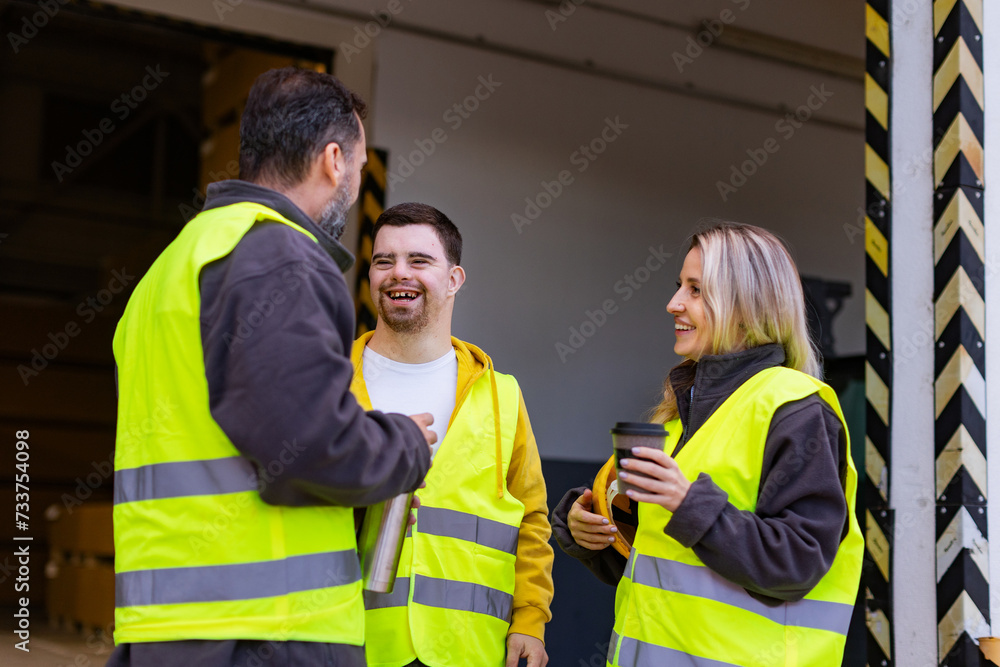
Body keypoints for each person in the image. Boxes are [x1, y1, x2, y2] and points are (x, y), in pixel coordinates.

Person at [108, 67, 434, 667]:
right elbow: (308, 444)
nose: (359, 182)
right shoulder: (279, 255)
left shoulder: (173, 266)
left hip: (170, 627)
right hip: (266, 630)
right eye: (361, 167)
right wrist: (405, 446)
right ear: (333, 160)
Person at [552, 222, 863, 666]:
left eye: (695, 290)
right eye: (679, 286)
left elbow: (797, 563)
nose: (673, 303)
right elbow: (660, 566)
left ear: (745, 306)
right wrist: (589, 532)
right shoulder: (679, 416)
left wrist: (688, 504)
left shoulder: (795, 409)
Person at [349, 203, 554, 667]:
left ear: (455, 279)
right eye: (384, 261)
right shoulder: (330, 383)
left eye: (419, 261)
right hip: (351, 643)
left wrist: (529, 621)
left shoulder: (502, 395)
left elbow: (532, 521)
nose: (399, 273)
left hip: (468, 649)